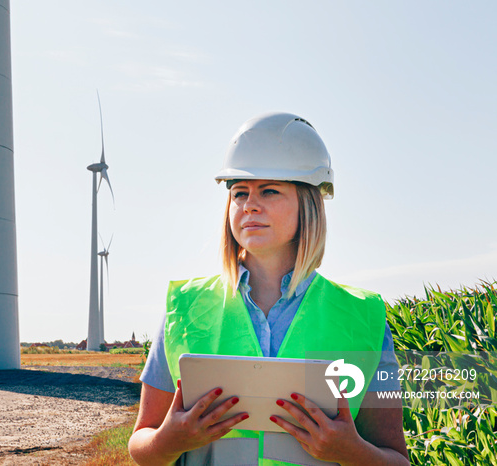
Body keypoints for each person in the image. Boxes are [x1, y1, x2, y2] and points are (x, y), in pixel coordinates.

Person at [128, 113, 410, 465]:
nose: (250, 205)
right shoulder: (184, 309)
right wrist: (169, 441)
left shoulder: (363, 319)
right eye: (239, 193)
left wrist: (351, 452)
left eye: (270, 190)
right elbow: (141, 444)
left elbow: (396, 459)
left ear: (308, 204)